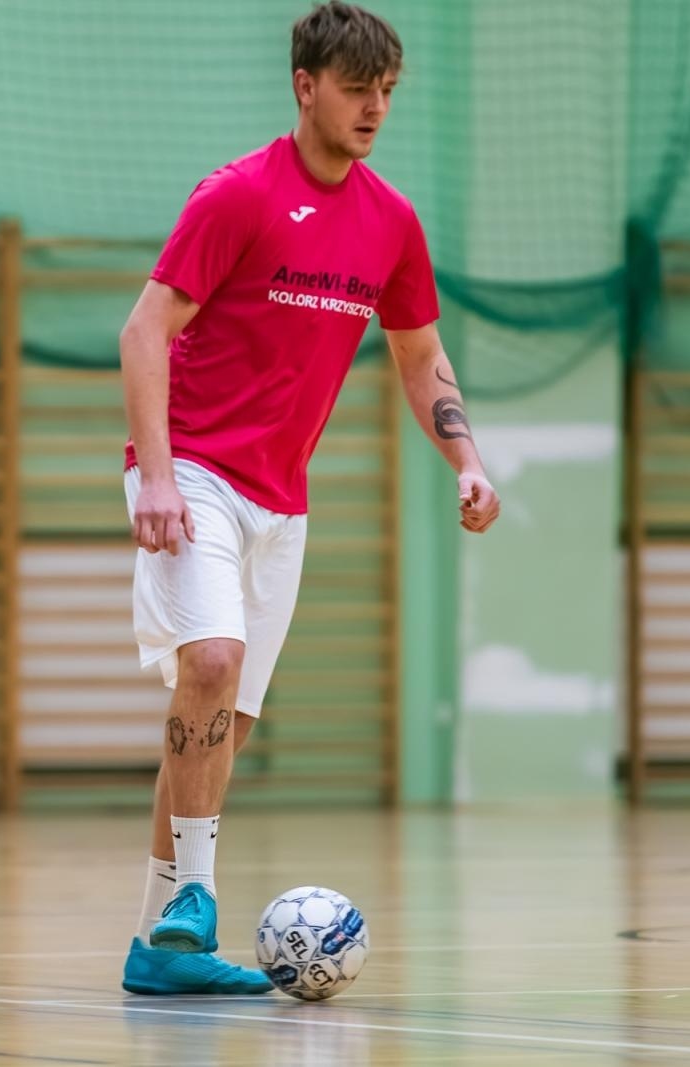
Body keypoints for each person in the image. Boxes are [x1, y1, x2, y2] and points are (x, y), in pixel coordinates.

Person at [118, 1, 501, 996]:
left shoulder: (391, 221)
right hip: (193, 467)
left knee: (222, 720)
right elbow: (144, 332)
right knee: (210, 659)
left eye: (385, 91)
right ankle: (196, 896)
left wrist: (465, 456)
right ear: (305, 86)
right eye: (355, 88)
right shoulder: (237, 196)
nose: (373, 108)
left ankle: (159, 943)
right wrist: (155, 474)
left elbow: (421, 356)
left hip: (279, 501)